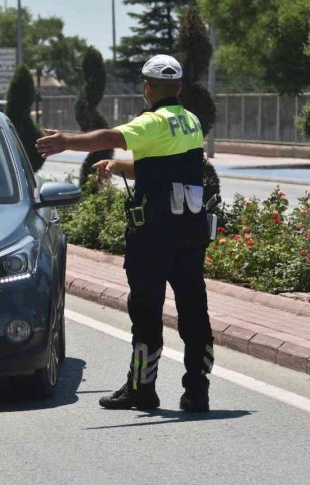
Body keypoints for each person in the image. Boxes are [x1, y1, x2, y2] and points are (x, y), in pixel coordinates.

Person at [35, 54, 213, 413]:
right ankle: (197, 390)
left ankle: (141, 389)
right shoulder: (189, 121)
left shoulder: (152, 122)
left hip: (154, 235)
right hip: (190, 230)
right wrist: (118, 167)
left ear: (148, 88)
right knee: (194, 309)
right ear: (178, 88)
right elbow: (162, 167)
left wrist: (67, 140)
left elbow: (110, 135)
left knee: (146, 312)